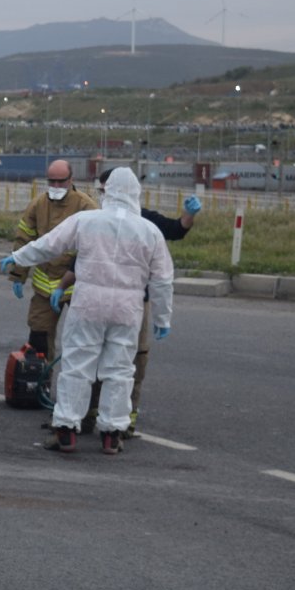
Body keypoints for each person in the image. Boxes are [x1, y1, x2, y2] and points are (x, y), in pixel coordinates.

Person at [0, 167, 173, 455]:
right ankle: (112, 435)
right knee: (119, 371)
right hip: (127, 310)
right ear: (135, 194)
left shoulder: (86, 220)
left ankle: (66, 431)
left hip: (89, 304)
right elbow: (163, 279)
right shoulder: (149, 231)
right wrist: (163, 317)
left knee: (77, 367)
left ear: (108, 191)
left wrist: (18, 257)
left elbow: (49, 245)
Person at [61, 169, 202, 438]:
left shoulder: (144, 220)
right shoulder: (102, 220)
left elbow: (176, 230)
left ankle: (116, 423)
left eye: (106, 190)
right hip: (121, 307)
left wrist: (189, 215)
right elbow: (80, 261)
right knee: (107, 365)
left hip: (124, 306)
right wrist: (61, 287)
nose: (104, 196)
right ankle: (96, 423)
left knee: (122, 364)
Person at [7, 159, 97, 362]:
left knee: (84, 339)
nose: (56, 186)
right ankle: (40, 384)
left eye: (61, 182)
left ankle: (85, 391)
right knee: (38, 336)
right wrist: (17, 274)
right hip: (44, 285)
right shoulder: (38, 204)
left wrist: (68, 279)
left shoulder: (86, 206)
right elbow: (24, 239)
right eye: (52, 181)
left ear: (71, 179)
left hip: (76, 285)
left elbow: (92, 249)